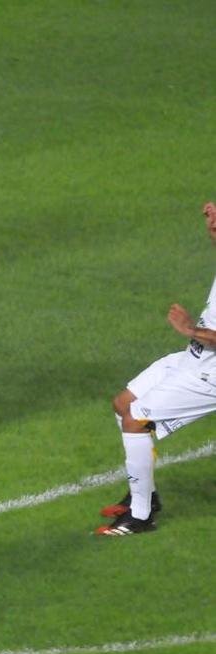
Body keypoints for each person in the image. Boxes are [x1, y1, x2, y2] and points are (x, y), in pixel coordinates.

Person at [96, 201, 216, 536]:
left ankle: (141, 516)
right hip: (194, 359)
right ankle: (145, 495)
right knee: (123, 403)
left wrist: (191, 329)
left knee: (136, 419)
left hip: (211, 375)